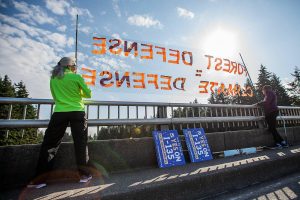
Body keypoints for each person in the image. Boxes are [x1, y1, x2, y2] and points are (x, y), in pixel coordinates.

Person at [28, 57, 92, 189]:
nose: (75, 68)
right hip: (77, 112)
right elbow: (88, 94)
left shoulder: (53, 79)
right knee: (81, 144)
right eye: (75, 66)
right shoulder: (77, 77)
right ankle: (84, 175)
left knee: (50, 145)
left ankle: (40, 180)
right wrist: (78, 91)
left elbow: (55, 96)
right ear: (71, 66)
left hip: (59, 112)